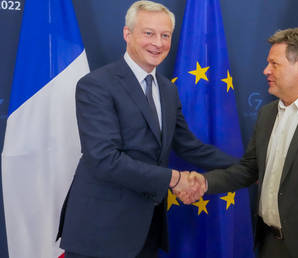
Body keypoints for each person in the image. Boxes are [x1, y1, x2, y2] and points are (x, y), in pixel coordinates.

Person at [56, 1, 235, 257]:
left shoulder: (167, 89)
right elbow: (105, 159)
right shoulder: (96, 85)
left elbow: (188, 145)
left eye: (165, 35)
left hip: (147, 230)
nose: (158, 43)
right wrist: (175, 179)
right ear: (127, 34)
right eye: (148, 33)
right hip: (100, 231)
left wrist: (245, 168)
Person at [186, 28, 298, 258]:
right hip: (270, 246)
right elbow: (249, 169)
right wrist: (206, 183)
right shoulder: (267, 114)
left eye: (274, 64)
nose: (266, 70)